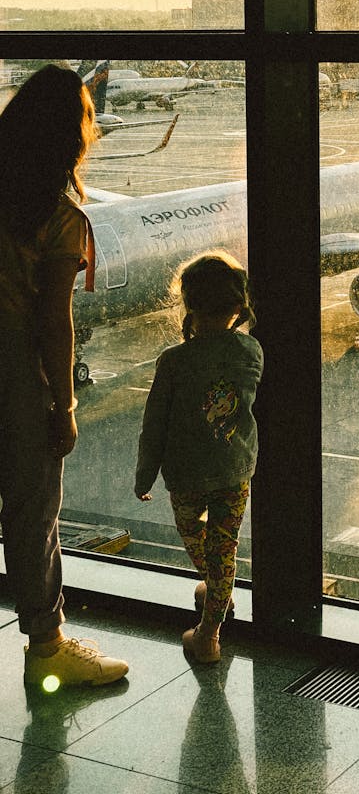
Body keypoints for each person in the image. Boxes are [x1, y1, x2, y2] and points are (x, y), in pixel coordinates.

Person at [0, 64, 129, 686]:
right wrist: (66, 405)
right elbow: (54, 321)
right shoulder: (57, 216)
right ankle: (47, 650)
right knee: (31, 509)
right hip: (13, 366)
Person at [134, 251, 264, 663]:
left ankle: (209, 630)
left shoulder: (173, 362)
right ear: (238, 307)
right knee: (225, 546)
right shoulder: (250, 352)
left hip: (187, 475)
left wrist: (144, 476)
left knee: (199, 541)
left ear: (188, 305)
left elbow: (154, 424)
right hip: (234, 468)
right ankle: (215, 601)